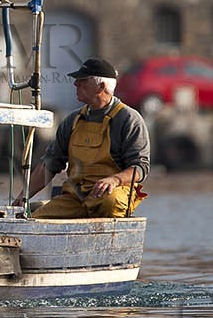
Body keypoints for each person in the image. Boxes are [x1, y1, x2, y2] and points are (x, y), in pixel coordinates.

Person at [17, 58, 148, 219]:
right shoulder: (72, 121)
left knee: (111, 203)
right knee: (35, 218)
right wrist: (22, 198)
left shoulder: (129, 120)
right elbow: (51, 163)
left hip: (111, 196)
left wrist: (114, 180)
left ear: (101, 87)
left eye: (82, 80)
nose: (76, 84)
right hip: (75, 199)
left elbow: (140, 168)